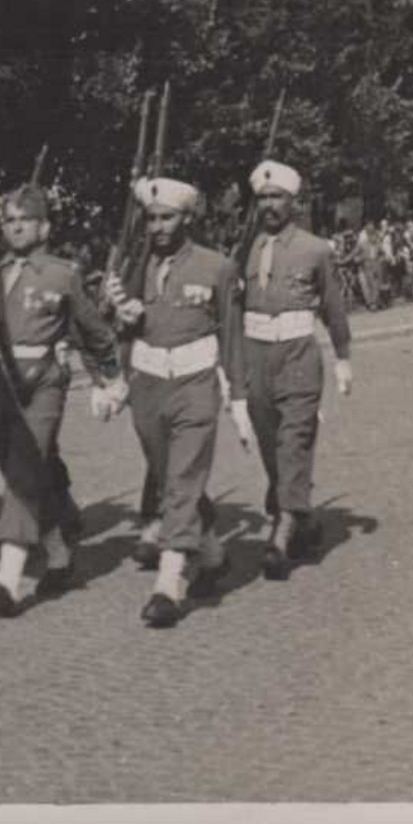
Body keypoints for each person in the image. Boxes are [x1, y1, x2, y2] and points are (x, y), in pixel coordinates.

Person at [0, 184, 127, 618]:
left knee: (22, 469)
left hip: (42, 383)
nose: (15, 228)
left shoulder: (62, 273)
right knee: (29, 474)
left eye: (24, 220)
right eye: (9, 221)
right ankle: (59, 556)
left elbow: (93, 332)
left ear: (44, 226)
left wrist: (107, 379)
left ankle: (8, 578)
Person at [102, 178, 252, 627]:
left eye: (168, 217)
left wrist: (238, 398)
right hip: (148, 384)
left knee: (184, 477)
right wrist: (118, 316)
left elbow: (231, 335)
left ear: (188, 218)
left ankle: (169, 583)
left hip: (195, 383)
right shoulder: (132, 267)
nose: (158, 227)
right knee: (171, 479)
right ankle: (212, 554)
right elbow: (113, 329)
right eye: (151, 218)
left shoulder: (217, 267)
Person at [240, 161, 354, 580]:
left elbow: (333, 307)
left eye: (277, 198)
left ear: (293, 201)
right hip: (256, 356)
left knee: (294, 442)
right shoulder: (244, 249)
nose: (269, 205)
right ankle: (300, 517)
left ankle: (281, 534)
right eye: (263, 199)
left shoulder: (315, 249)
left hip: (298, 356)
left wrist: (343, 357)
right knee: (272, 445)